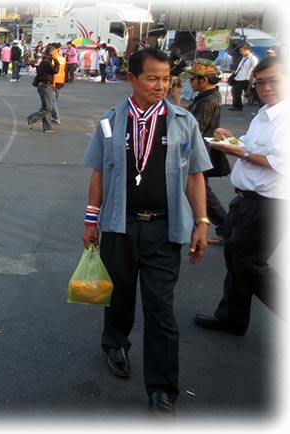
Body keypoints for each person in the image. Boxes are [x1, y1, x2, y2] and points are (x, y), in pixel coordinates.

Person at [81, 48, 211, 417]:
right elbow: (99, 173)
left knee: (161, 310)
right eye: (152, 78)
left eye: (166, 78)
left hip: (165, 230)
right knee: (118, 297)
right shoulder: (110, 121)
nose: (161, 85)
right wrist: (91, 222)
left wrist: (201, 222)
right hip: (120, 226)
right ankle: (115, 345)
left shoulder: (183, 121)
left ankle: (162, 388)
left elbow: (195, 175)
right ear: (132, 79)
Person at [193, 56, 287, 335]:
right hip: (247, 199)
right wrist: (231, 139)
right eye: (259, 83)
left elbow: (278, 162)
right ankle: (231, 317)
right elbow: (250, 145)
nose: (266, 88)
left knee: (250, 265)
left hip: (269, 203)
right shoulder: (265, 113)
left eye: (274, 81)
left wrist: (240, 152)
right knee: (235, 258)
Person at [183, 60, 230, 245]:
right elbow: (190, 111)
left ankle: (226, 228)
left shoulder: (208, 100)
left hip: (200, 150)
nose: (190, 82)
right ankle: (225, 228)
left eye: (193, 79)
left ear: (203, 80)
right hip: (203, 149)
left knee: (203, 193)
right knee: (201, 191)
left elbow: (196, 128)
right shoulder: (207, 96)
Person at [26, 45, 59, 133]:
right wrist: (56, 61)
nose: (56, 54)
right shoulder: (46, 62)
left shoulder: (46, 61)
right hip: (45, 85)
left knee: (47, 106)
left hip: (46, 85)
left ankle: (48, 127)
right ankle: (31, 118)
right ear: (51, 53)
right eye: (55, 53)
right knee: (47, 108)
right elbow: (55, 71)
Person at [229, 44, 259, 111]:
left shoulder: (252, 58)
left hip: (246, 78)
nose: (241, 53)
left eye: (242, 51)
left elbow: (254, 68)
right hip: (239, 77)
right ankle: (237, 105)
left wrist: (251, 78)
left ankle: (239, 105)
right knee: (235, 91)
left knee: (247, 91)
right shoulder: (243, 58)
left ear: (247, 50)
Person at [51, 44, 66, 125]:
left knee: (52, 100)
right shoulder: (62, 58)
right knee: (54, 99)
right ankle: (53, 116)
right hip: (61, 80)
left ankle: (56, 117)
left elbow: (53, 72)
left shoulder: (53, 59)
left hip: (54, 80)